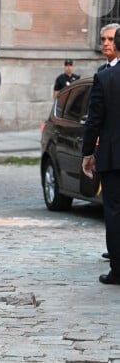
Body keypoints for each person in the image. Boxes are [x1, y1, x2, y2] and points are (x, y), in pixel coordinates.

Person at [82, 27, 120, 285]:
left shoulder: (106, 79)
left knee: (115, 212)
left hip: (113, 156)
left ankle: (117, 271)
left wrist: (87, 153)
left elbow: (93, 121)